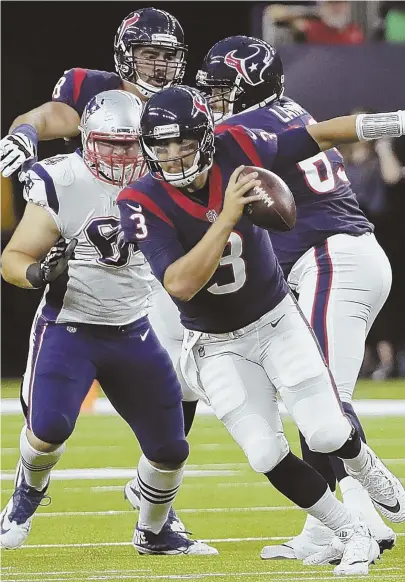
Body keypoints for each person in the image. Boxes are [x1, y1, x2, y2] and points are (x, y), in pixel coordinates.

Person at [117, 85, 405, 575]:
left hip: (276, 320)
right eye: (161, 146)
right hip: (214, 343)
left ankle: (376, 480)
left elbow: (317, 135)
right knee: (265, 453)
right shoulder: (140, 199)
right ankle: (351, 531)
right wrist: (229, 213)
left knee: (329, 429)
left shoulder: (240, 146)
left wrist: (394, 121)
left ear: (206, 137)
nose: (172, 155)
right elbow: (181, 284)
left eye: (183, 143)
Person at [195, 35, 399, 560]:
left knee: (323, 403)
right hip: (335, 258)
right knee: (314, 399)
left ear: (250, 85)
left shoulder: (239, 128)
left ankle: (362, 521)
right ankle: (334, 526)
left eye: (223, 88)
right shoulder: (286, 110)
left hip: (332, 257)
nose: (214, 99)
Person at [0, 5, 193, 535]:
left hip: (157, 258)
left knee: (180, 410)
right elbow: (46, 117)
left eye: (167, 56)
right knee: (49, 425)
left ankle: (157, 518)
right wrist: (23, 132)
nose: (158, 65)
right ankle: (26, 496)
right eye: (148, 54)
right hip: (89, 261)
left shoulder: (184, 107)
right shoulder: (92, 100)